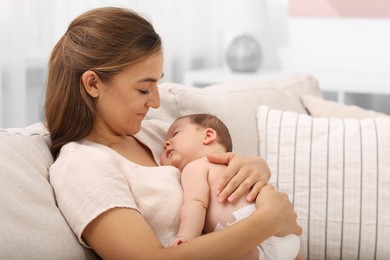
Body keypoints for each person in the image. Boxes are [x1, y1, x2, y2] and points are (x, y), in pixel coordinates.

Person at [45, 6, 301, 259]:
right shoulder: (82, 166)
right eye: (144, 89)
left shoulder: (157, 134)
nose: (156, 102)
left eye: (157, 84)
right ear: (93, 84)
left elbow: (217, 163)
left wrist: (255, 167)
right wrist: (267, 221)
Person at [160, 113, 303, 260]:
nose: (165, 143)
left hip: (246, 231)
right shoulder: (240, 164)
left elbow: (196, 203)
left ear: (208, 135)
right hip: (288, 234)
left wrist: (186, 237)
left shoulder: (195, 166)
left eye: (175, 134)